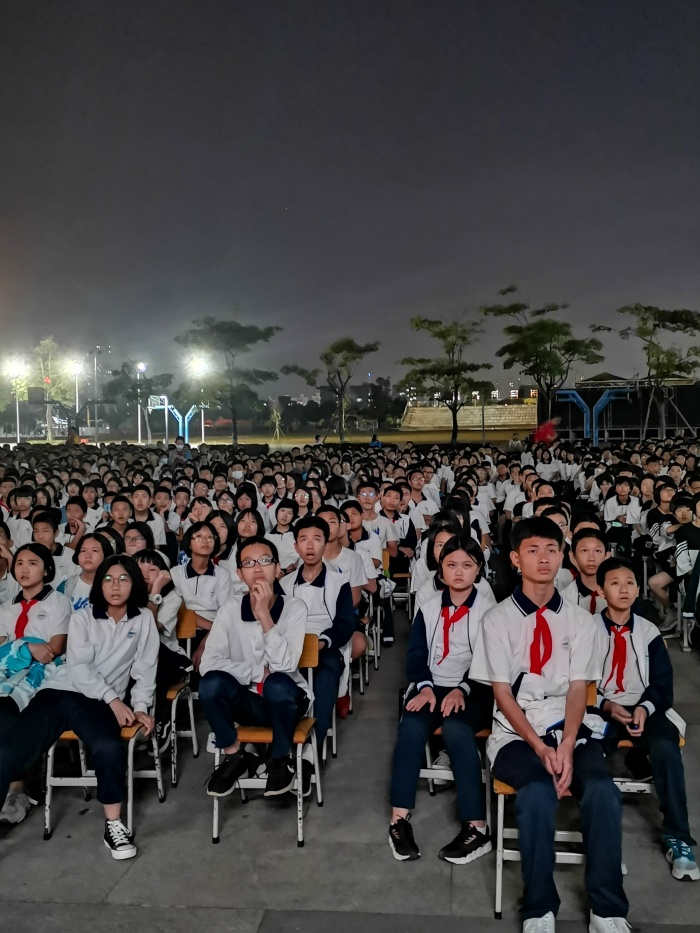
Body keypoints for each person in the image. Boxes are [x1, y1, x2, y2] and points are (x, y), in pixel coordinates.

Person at [470, 517, 629, 932]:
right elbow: (502, 694)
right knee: (537, 793)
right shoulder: (497, 619)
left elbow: (578, 689)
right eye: (533, 550)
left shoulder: (579, 620)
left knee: (603, 792)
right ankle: (539, 907)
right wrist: (540, 748)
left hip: (569, 728)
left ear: (563, 557)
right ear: (515, 559)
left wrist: (567, 744)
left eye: (552, 550)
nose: (543, 558)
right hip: (515, 733)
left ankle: (607, 909)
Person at [0, 554, 159, 860]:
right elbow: (80, 667)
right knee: (7, 751)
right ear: (99, 585)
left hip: (96, 703)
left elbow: (145, 668)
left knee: (108, 747)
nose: (115, 586)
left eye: (123, 579)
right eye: (108, 579)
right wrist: (114, 699)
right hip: (58, 693)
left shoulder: (143, 620)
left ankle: (113, 825)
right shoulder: (83, 617)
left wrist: (139, 706)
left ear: (134, 585)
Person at [388, 536, 495, 863]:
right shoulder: (430, 605)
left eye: (467, 565)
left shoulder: (488, 611)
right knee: (410, 727)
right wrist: (424, 687)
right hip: (431, 686)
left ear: (478, 569)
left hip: (475, 688)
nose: (459, 572)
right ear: (441, 569)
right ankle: (398, 820)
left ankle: (476, 827)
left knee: (456, 730)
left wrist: (461, 689)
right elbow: (416, 655)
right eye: (451, 565)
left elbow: (489, 662)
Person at [594, 556, 698, 881]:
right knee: (589, 754)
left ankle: (678, 837)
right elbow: (576, 683)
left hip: (643, 707)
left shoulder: (648, 631)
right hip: (601, 709)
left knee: (667, 748)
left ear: (638, 589)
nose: (624, 589)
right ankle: (602, 842)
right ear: (601, 590)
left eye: (630, 583)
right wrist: (605, 704)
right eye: (615, 583)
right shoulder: (587, 630)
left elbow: (662, 684)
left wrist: (644, 708)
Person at [200, 536, 311, 797]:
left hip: (287, 702)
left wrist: (263, 615)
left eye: (265, 560)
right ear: (240, 574)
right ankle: (235, 755)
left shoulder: (294, 608)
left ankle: (280, 759)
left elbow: (285, 666)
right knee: (211, 683)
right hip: (248, 702)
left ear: (277, 568)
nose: (257, 568)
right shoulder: (230, 608)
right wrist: (257, 673)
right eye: (248, 563)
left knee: (277, 683)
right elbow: (208, 663)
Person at [0, 543, 71, 823]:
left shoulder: (58, 602)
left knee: (8, 710)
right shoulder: (7, 607)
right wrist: (28, 647)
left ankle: (17, 787)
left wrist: (18, 649)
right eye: (19, 563)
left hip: (44, 673)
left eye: (32, 563)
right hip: (8, 673)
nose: (24, 569)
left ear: (46, 569)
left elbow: (54, 648)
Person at [280, 516, 355, 752]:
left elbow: (345, 623)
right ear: (296, 546)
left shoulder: (339, 582)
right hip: (290, 647)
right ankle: (281, 742)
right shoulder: (284, 584)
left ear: (326, 543)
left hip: (325, 646)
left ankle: (312, 749)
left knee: (325, 677)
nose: (310, 545)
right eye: (304, 540)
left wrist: (323, 642)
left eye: (317, 539)